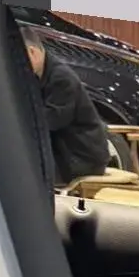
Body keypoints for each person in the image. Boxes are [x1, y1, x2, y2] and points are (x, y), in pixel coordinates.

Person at [23, 34, 113, 185]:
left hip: (80, 156)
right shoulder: (43, 73)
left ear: (32, 51)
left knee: (29, 174)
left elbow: (54, 120)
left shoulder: (61, 77)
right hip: (66, 152)